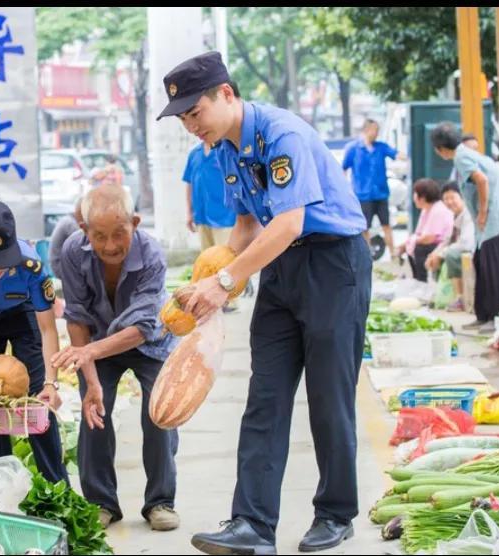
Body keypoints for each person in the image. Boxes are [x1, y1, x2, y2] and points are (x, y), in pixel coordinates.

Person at [157, 51, 372, 554]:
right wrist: (205, 279)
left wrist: (227, 281)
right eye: (183, 118)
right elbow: (249, 225)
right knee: (265, 398)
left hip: (333, 265)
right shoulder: (226, 150)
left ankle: (336, 514)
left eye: (195, 113)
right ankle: (252, 525)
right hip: (279, 268)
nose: (191, 126)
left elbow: (290, 222)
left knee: (328, 398)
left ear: (226, 95)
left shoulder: (282, 135)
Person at [0, 199, 105, 487]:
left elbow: (48, 329)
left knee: (38, 401)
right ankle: (0, 489)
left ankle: (55, 488)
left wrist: (50, 383)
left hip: (22, 316)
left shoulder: (31, 265)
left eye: (1, 261)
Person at [51, 185, 179, 532]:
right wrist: (91, 380)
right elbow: (76, 316)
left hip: (148, 343)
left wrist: (89, 351)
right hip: (95, 341)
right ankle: (101, 502)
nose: (110, 246)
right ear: (84, 231)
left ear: (135, 223)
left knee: (160, 412)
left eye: (119, 233)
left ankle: (160, 501)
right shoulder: (72, 253)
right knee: (94, 412)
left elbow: (143, 326)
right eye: (99, 236)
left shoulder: (151, 254)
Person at [432, 122, 499, 334]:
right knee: (480, 263)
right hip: (488, 222)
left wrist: (482, 214)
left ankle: (493, 319)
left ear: (441, 149)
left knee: (491, 270)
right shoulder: (465, 153)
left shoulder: (462, 157)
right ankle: (483, 315)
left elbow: (481, 180)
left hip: (492, 220)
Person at [342, 118, 406, 259]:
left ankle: (393, 254)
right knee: (364, 227)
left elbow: (396, 154)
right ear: (366, 130)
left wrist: (407, 156)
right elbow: (343, 169)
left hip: (381, 193)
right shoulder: (353, 149)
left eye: (377, 130)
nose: (376, 133)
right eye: (374, 130)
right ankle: (366, 256)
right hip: (363, 194)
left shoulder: (381, 147)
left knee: (386, 225)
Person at [425, 182, 476, 311]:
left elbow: (466, 243)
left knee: (450, 255)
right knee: (435, 255)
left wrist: (441, 254)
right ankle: (441, 294)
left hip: (472, 251)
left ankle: (460, 298)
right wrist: (435, 253)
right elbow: (447, 240)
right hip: (463, 250)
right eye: (446, 199)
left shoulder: (468, 214)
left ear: (462, 197)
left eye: (452, 198)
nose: (449, 202)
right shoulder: (455, 215)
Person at [395, 179, 453, 283]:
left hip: (443, 244)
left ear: (422, 197)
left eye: (415, 194)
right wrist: (405, 244)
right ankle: (417, 279)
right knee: (411, 246)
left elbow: (429, 238)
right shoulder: (426, 209)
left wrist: (409, 242)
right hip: (433, 243)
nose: (414, 198)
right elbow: (418, 233)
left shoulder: (438, 210)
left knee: (419, 248)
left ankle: (422, 280)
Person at [183, 141, 237, 250]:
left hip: (225, 218)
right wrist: (189, 212)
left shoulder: (226, 151)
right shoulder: (194, 153)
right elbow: (189, 183)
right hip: (201, 217)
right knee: (206, 260)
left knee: (224, 259)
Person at [48, 197, 84, 279]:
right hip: (60, 266)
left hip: (61, 264)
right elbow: (84, 242)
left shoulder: (68, 220)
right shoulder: (69, 223)